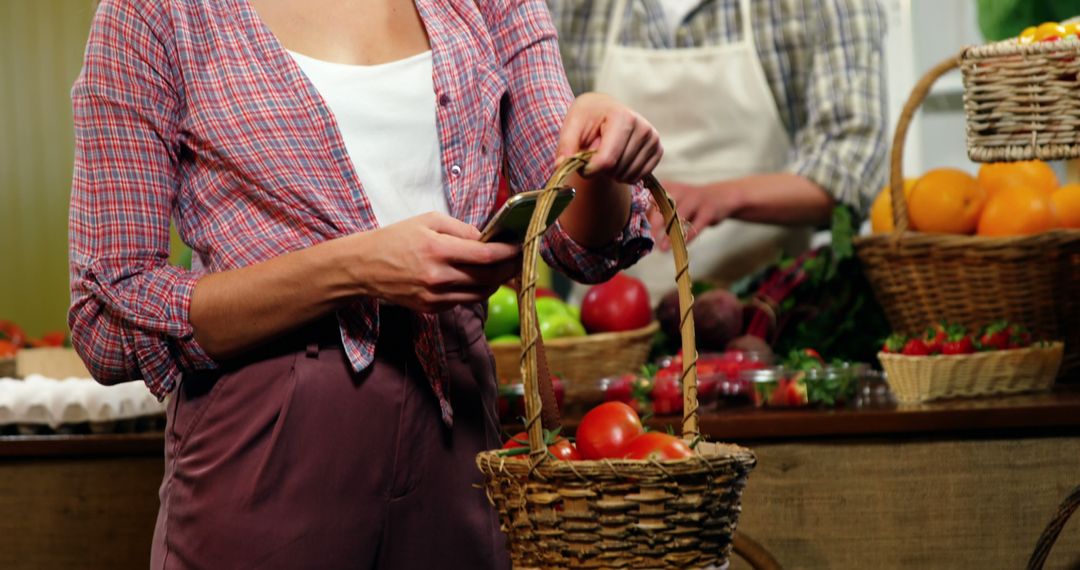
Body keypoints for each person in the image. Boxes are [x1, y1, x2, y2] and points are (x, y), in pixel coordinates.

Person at [68, 0, 662, 567]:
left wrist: (604, 153)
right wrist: (352, 268)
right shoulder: (154, 13)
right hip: (265, 445)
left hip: (458, 427)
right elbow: (109, 317)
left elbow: (577, 242)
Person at [550, 0, 888, 302]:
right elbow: (553, 166)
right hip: (608, 332)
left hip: (765, 320)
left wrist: (723, 197)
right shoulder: (571, 7)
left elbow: (851, 166)